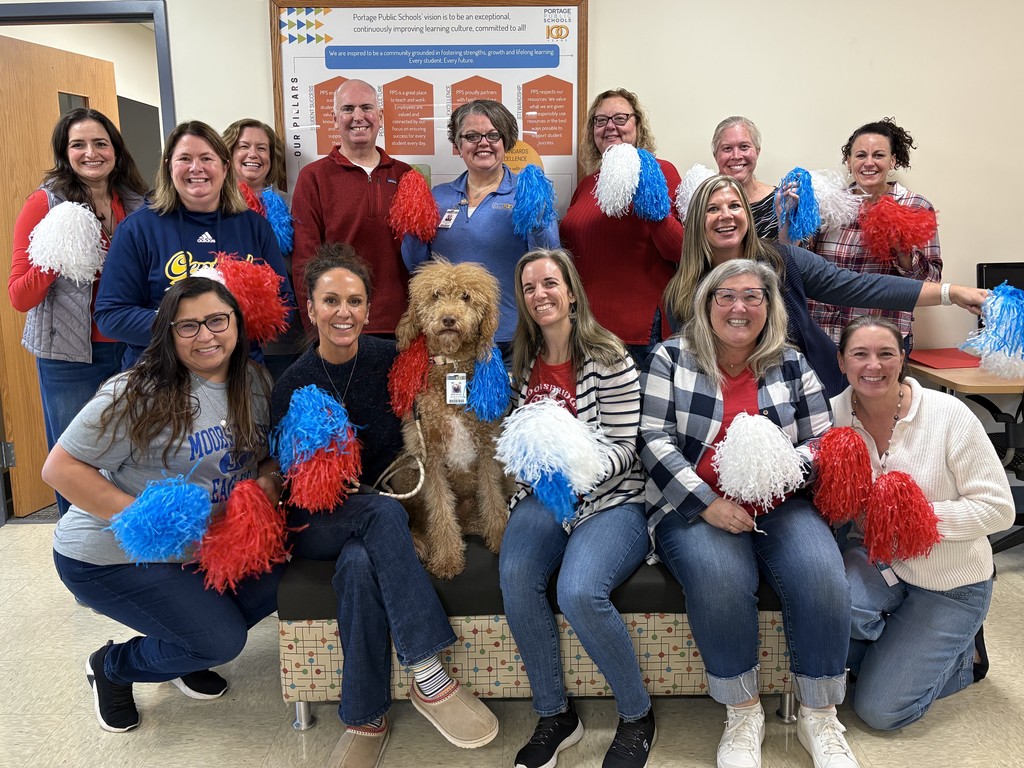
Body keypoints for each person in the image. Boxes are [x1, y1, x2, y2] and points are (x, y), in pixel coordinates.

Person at [270, 243, 498, 768]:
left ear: (369, 311)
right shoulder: (292, 384)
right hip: (323, 513)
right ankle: (429, 672)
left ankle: (364, 718)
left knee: (358, 566)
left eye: (354, 301)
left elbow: (449, 386)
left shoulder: (389, 361)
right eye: (331, 301)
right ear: (311, 308)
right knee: (381, 515)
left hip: (383, 510)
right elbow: (290, 480)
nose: (343, 312)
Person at [640, 259, 859, 768]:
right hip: (695, 504)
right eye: (727, 296)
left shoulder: (792, 363)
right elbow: (652, 437)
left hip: (780, 504)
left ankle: (819, 716)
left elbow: (822, 441)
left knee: (822, 574)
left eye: (753, 297)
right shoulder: (671, 358)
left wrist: (778, 473)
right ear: (708, 303)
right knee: (719, 578)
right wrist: (707, 503)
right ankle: (743, 713)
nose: (739, 307)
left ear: (769, 307)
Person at [42, 277, 281, 733]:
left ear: (236, 323)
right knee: (222, 641)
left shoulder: (253, 380)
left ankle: (181, 644)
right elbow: (60, 468)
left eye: (216, 320)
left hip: (195, 554)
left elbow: (261, 454)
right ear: (168, 334)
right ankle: (113, 666)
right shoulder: (136, 392)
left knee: (281, 575)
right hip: (110, 556)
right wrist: (146, 520)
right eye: (187, 326)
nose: (206, 335)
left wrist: (267, 478)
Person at [498, 248, 654, 768]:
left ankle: (636, 716)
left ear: (570, 291)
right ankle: (555, 713)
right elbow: (513, 443)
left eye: (549, 283)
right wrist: (537, 475)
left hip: (613, 501)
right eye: (529, 288)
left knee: (579, 591)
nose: (540, 294)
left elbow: (625, 445)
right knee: (517, 574)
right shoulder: (518, 362)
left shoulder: (609, 356)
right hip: (544, 498)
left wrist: (577, 476)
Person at [832, 315, 1014, 731]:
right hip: (879, 564)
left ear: (903, 359)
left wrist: (913, 518)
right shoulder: (833, 417)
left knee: (878, 710)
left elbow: (999, 508)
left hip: (951, 584)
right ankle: (906, 644)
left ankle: (964, 657)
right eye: (860, 354)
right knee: (822, 615)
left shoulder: (948, 414)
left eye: (886, 354)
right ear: (842, 362)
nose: (873, 366)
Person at [664, 174, 985, 397]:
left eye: (734, 206)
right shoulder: (682, 293)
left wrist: (950, 293)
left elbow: (861, 287)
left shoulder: (784, 261)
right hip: (728, 412)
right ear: (697, 222)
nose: (726, 216)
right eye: (713, 208)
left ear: (746, 214)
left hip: (809, 399)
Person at [9, 108, 148, 516]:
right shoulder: (45, 203)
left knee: (133, 456)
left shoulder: (140, 203)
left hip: (132, 350)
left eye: (100, 143)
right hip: (70, 357)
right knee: (77, 465)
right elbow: (20, 296)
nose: (91, 153)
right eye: (78, 145)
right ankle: (81, 555)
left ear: (116, 150)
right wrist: (61, 248)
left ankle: (131, 555)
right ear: (64, 152)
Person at [94, 120, 293, 369]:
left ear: (225, 166)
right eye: (185, 158)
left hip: (239, 376)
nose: (196, 168)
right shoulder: (137, 229)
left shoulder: (254, 226)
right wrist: (184, 326)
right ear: (169, 167)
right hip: (160, 376)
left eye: (207, 158)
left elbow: (284, 303)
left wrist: (231, 323)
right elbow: (111, 315)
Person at [401, 99, 560, 358]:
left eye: (493, 135)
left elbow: (549, 261)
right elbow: (416, 266)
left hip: (511, 337)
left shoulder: (525, 193)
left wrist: (537, 218)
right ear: (458, 145)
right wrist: (413, 223)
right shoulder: (438, 197)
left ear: (506, 141)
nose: (483, 143)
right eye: (472, 136)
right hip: (451, 340)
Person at [560, 88, 684, 364]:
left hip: (638, 334)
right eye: (600, 120)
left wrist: (654, 211)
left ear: (637, 125)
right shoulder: (586, 184)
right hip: (585, 328)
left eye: (620, 118)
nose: (610, 127)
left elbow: (681, 251)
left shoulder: (662, 171)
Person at [291, 79, 411, 336]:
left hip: (400, 327)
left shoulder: (406, 175)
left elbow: (422, 257)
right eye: (348, 109)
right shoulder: (313, 177)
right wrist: (313, 329)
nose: (358, 117)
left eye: (366, 107)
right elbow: (304, 261)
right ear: (335, 119)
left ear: (379, 116)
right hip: (339, 324)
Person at [809, 119, 942, 348]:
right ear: (848, 161)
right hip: (823, 336)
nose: (869, 163)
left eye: (878, 155)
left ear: (893, 161)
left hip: (880, 342)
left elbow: (930, 282)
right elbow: (803, 266)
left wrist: (902, 250)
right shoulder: (828, 204)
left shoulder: (915, 206)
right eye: (860, 155)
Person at [222, 118, 302, 379]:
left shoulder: (291, 205)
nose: (253, 154)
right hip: (225, 337)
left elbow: (298, 264)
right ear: (228, 154)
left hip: (282, 339)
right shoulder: (212, 206)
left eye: (262, 148)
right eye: (243, 146)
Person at [712, 116, 786, 241]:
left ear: (757, 152)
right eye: (727, 148)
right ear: (715, 155)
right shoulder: (704, 204)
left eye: (744, 147)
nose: (736, 156)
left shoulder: (780, 202)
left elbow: (797, 255)